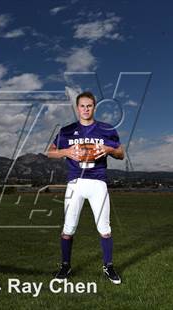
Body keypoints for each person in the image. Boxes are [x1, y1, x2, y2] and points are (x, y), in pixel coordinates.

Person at [46, 91, 124, 284]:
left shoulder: (106, 129)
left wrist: (109, 149)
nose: (86, 109)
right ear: (77, 108)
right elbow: (50, 152)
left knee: (104, 229)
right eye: (82, 106)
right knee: (68, 228)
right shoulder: (67, 130)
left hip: (98, 182)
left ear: (94, 108)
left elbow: (121, 154)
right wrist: (66, 152)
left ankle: (109, 266)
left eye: (89, 106)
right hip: (75, 183)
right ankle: (65, 266)